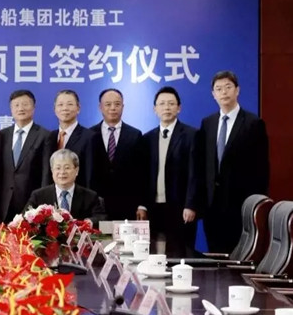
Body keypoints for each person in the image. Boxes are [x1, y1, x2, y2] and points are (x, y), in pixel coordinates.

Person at [196, 71, 269, 253]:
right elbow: (202, 165)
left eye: (228, 87)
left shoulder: (253, 123)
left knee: (238, 256)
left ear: (237, 90)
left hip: (240, 206)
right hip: (212, 207)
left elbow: (262, 169)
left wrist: (255, 205)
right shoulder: (208, 123)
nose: (224, 92)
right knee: (215, 255)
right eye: (219, 89)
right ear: (213, 94)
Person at [138, 87, 198, 256]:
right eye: (162, 104)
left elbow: (195, 173)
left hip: (180, 208)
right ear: (155, 109)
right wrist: (142, 205)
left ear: (179, 108)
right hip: (153, 207)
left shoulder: (191, 135)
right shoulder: (147, 138)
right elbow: (143, 175)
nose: (167, 107)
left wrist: (190, 204)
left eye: (171, 104)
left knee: (180, 255)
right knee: (153, 254)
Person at [90, 88, 144, 222]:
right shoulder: (90, 135)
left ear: (123, 106)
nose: (113, 108)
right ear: (100, 107)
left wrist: (141, 204)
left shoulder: (135, 135)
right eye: (108, 104)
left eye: (117, 104)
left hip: (127, 203)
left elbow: (142, 173)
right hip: (96, 204)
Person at [0, 90, 50, 222]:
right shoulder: (2, 135)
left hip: (31, 201)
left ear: (33, 107)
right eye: (16, 105)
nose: (20, 108)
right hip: (3, 202)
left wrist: (41, 204)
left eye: (25, 104)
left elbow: (46, 174)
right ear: (11, 109)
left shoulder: (44, 136)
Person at [26, 149, 106, 223]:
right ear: (52, 171)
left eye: (67, 168)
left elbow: (101, 217)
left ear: (76, 170)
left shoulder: (90, 196)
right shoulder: (38, 196)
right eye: (58, 168)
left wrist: (88, 222)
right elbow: (24, 217)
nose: (62, 172)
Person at [43, 90, 97, 188]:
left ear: (78, 108)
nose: (65, 108)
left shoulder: (89, 137)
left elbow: (90, 175)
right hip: (52, 194)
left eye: (70, 104)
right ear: (55, 110)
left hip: (79, 194)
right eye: (60, 105)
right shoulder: (49, 137)